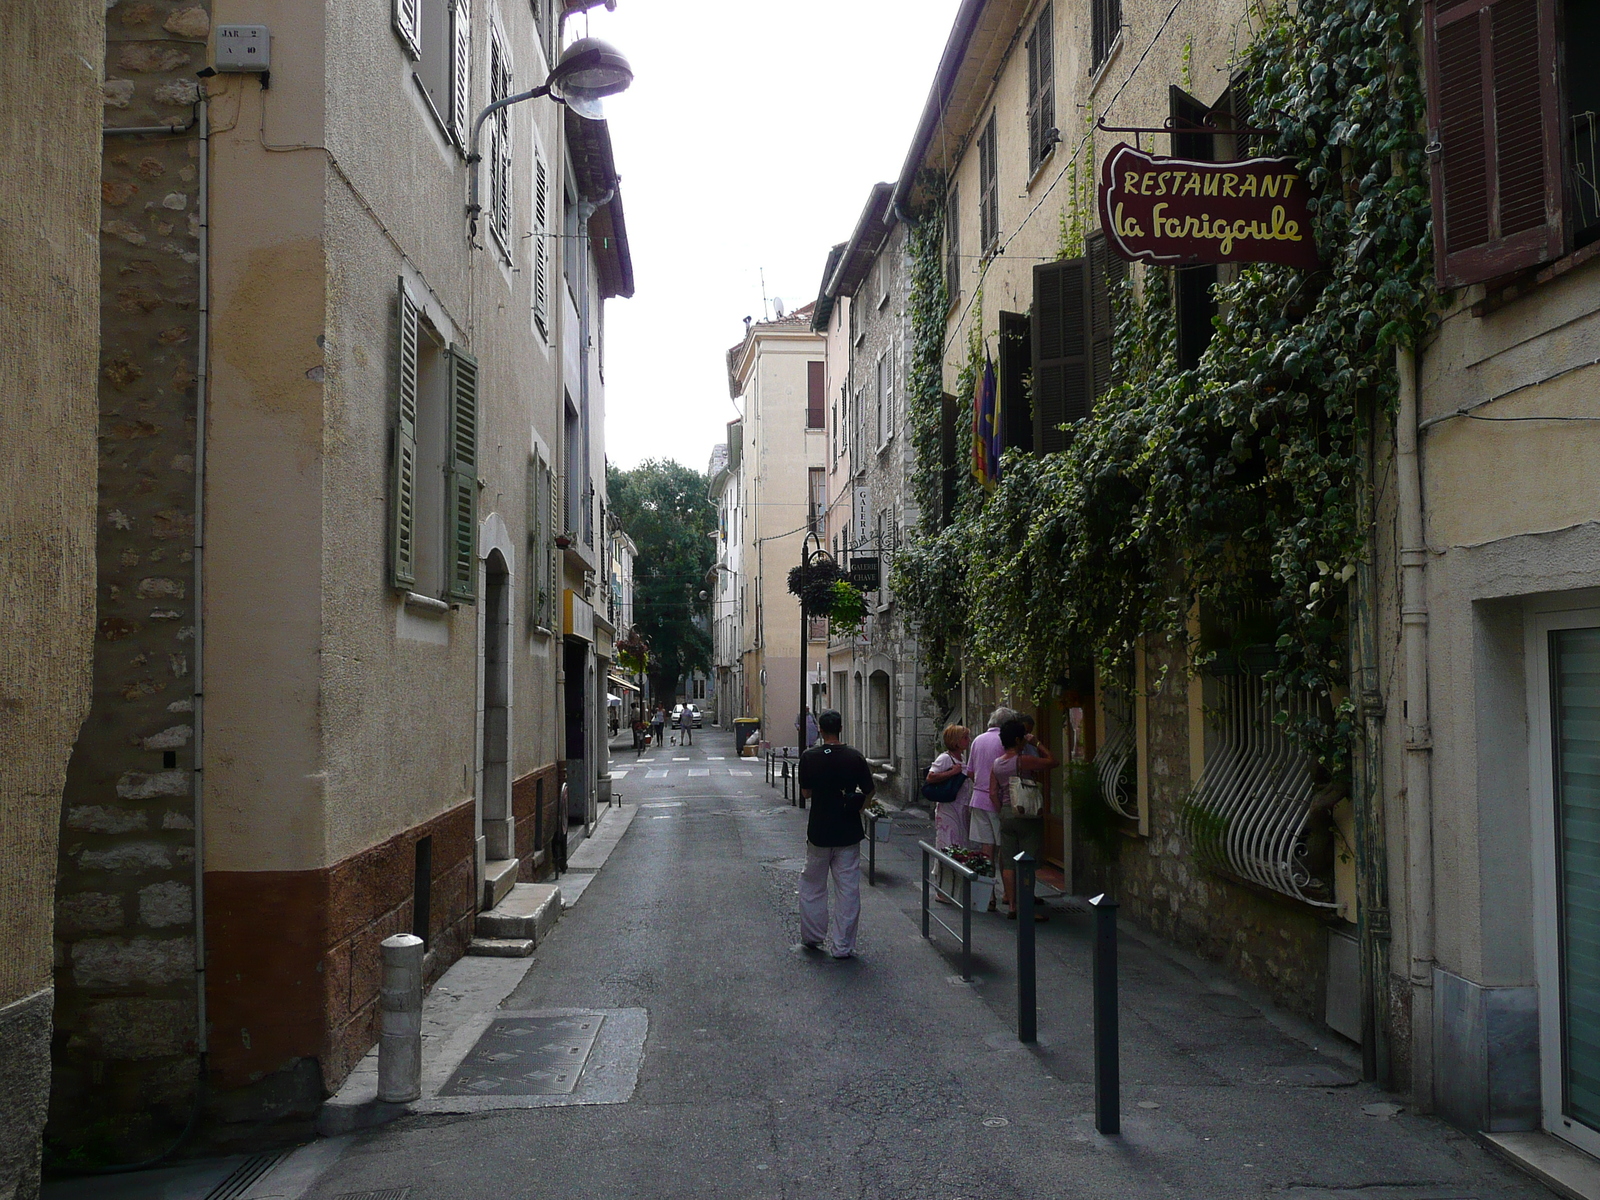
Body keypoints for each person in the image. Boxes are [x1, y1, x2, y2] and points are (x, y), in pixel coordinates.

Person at [796, 709, 875, 958]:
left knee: (812, 885)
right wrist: (859, 807)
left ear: (820, 729)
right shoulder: (855, 757)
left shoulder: (809, 757)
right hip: (848, 830)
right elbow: (869, 791)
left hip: (819, 829)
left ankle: (813, 935)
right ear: (841, 728)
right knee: (848, 890)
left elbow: (806, 793)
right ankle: (843, 946)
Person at [991, 716, 1057, 920]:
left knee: (1009, 862)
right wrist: (1036, 743)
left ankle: (1012, 905)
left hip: (1006, 814)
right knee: (1027, 863)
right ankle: (1027, 908)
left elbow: (992, 792)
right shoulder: (1022, 760)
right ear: (1019, 740)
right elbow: (1052, 761)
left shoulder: (997, 763)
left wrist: (1002, 811)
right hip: (1026, 814)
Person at [963, 706, 1015, 911]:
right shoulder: (1005, 741)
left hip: (978, 799)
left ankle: (989, 895)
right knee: (1004, 848)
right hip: (998, 801)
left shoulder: (977, 740)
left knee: (986, 849)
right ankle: (1008, 895)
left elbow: (970, 772)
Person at [926, 724, 971, 904]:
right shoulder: (945, 759)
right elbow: (930, 777)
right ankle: (942, 891)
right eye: (965, 737)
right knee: (947, 847)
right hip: (948, 812)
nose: (968, 740)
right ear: (956, 741)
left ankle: (954, 889)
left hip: (961, 810)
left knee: (958, 846)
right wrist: (952, 772)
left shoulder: (962, 757)